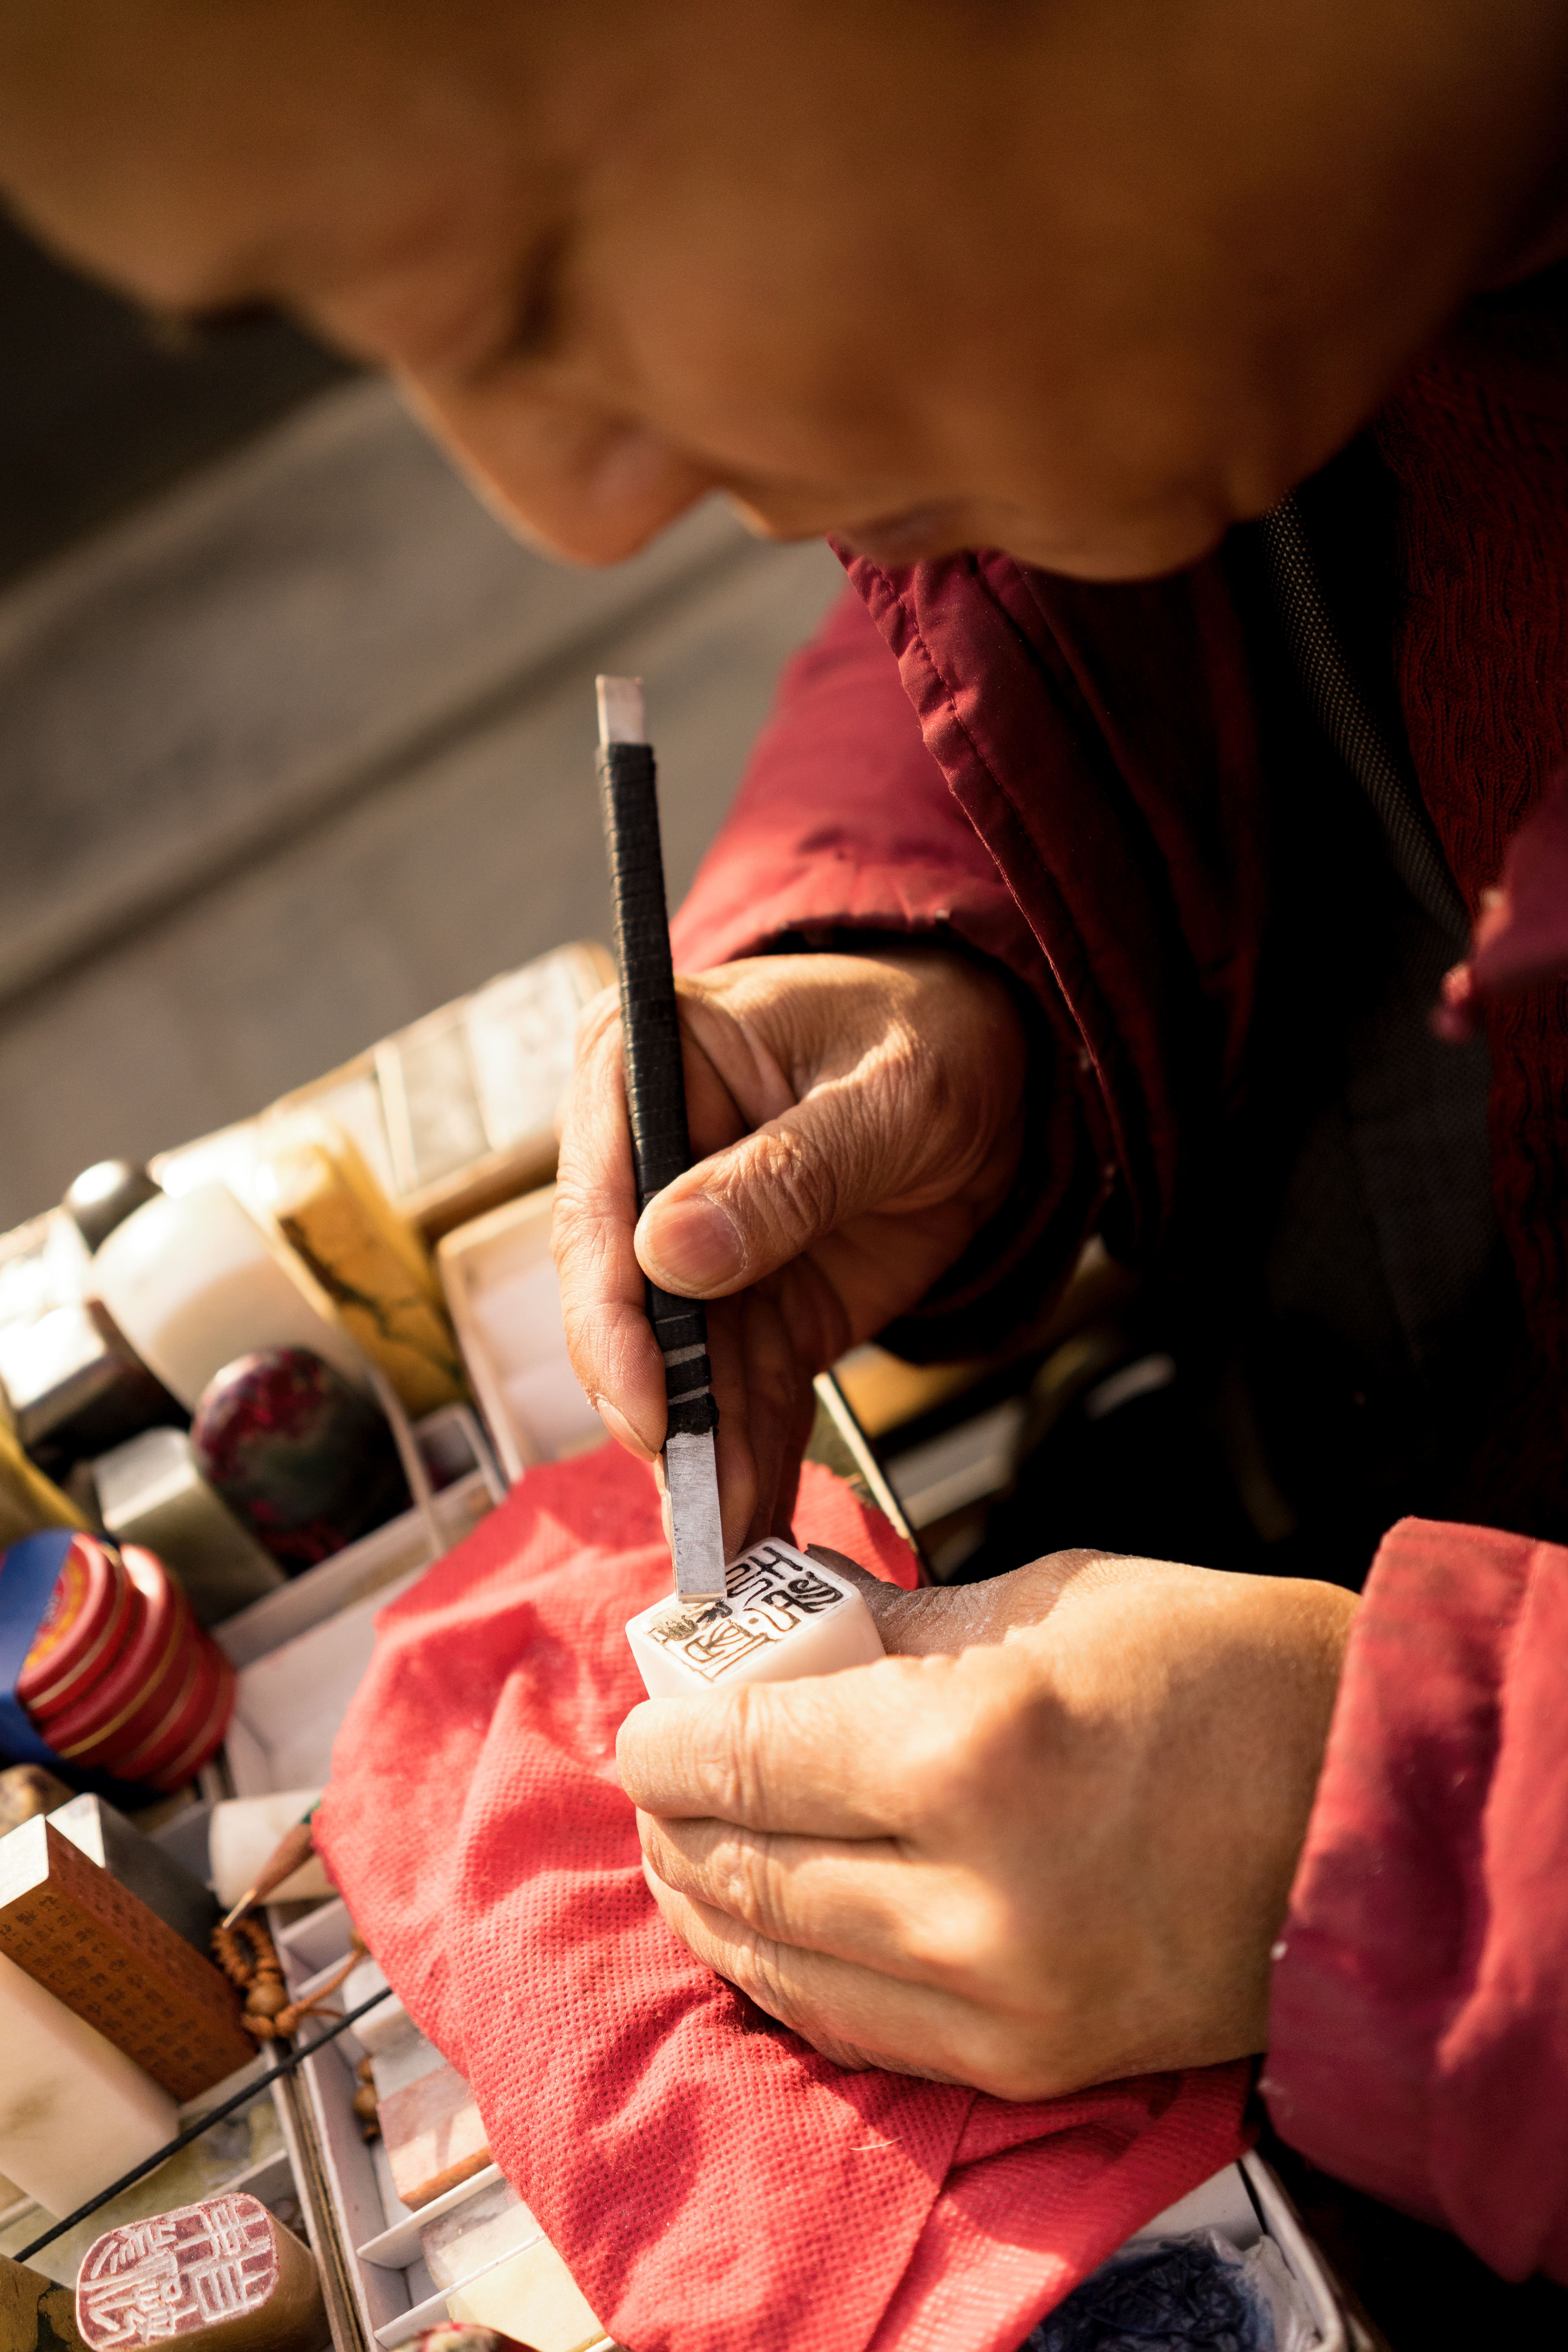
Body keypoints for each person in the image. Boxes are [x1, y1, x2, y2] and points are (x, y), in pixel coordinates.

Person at [3, 0, 1567, 2294]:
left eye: (528, 281)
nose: (570, 504)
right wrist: (960, 958)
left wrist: (1402, 1836)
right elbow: (1152, 566)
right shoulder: (1227, 273)